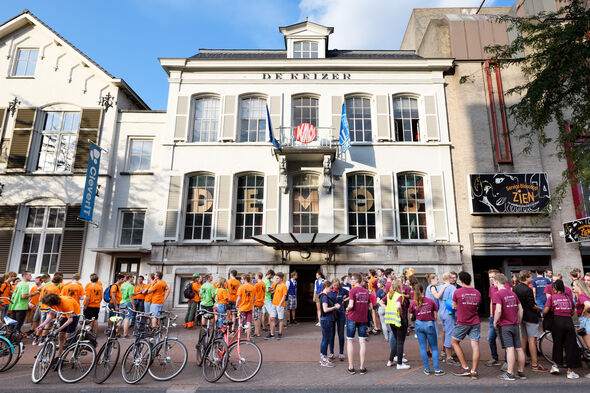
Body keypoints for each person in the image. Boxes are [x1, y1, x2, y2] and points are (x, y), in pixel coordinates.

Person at [543, 279, 581, 379]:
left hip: (557, 322)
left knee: (557, 344)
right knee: (570, 346)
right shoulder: (568, 298)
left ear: (555, 288)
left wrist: (543, 315)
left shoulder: (551, 298)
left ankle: (555, 366)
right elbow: (573, 312)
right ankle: (570, 371)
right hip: (568, 322)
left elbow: (546, 310)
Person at [492, 273, 526, 381]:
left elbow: (498, 310)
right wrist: (518, 321)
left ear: (497, 282)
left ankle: (510, 373)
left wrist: (495, 321)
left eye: (493, 282)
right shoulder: (512, 293)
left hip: (505, 325)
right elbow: (521, 309)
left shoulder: (498, 294)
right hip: (515, 324)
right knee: (519, 349)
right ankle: (521, 372)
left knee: (509, 349)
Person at [512, 270, 547, 372]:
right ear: (526, 278)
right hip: (530, 316)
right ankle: (535, 364)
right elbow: (532, 305)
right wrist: (541, 309)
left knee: (523, 338)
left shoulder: (515, 288)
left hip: (521, 316)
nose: (532, 278)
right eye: (531, 277)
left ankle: (523, 360)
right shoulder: (528, 289)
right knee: (532, 340)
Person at [451, 271, 482, 380]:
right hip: (475, 321)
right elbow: (477, 307)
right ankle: (474, 371)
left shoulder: (457, 292)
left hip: (462, 322)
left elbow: (454, 306)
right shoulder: (477, 293)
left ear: (461, 281)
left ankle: (465, 367)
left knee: (454, 342)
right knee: (475, 345)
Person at [410, 283, 444, 376]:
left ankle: (427, 369)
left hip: (418, 325)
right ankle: (437, 370)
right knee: (434, 348)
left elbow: (411, 315)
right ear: (423, 291)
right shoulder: (430, 301)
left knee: (423, 347)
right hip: (429, 325)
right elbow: (436, 314)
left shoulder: (413, 302)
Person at [383, 279, 409, 370]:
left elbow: (380, 301)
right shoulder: (399, 295)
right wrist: (401, 313)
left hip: (391, 321)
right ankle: (400, 363)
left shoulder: (389, 295)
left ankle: (390, 360)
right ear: (399, 286)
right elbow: (398, 306)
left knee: (397, 341)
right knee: (400, 342)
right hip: (399, 320)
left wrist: (386, 309)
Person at [346, 272, 369, 375]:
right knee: (362, 342)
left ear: (356, 281)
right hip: (363, 318)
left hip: (352, 317)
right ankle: (362, 367)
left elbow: (351, 305)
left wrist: (347, 308)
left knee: (350, 341)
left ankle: (351, 367)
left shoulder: (352, 291)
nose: (351, 281)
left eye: (352, 279)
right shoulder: (366, 291)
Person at [438, 273, 458, 365]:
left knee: (447, 332)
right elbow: (455, 301)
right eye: (452, 277)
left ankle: (449, 353)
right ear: (448, 278)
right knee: (450, 333)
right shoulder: (452, 288)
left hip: (442, 313)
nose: (454, 279)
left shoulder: (440, 287)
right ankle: (449, 356)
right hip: (450, 314)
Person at [572, 279, 590, 378]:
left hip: (585, 321)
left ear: (579, 286)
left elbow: (588, 305)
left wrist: (583, 312)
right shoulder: (585, 294)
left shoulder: (582, 295)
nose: (573, 288)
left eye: (574, 285)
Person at [320, 281, 339, 367]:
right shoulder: (324, 297)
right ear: (326, 287)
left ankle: (324, 357)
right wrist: (335, 307)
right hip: (327, 320)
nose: (332, 290)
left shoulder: (324, 296)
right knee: (326, 339)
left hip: (326, 320)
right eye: (331, 288)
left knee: (325, 339)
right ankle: (323, 358)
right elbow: (325, 309)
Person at [485, 269, 502, 367]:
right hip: (493, 317)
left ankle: (507, 361)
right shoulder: (491, 288)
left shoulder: (504, 287)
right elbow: (492, 301)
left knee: (503, 340)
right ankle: (494, 358)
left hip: (502, 317)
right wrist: (491, 315)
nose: (491, 279)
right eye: (490, 277)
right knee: (490, 338)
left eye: (493, 277)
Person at [266, 272, 287, 340]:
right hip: (274, 303)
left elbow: (284, 296)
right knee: (272, 318)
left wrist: (280, 304)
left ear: (281, 279)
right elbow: (271, 290)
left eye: (277, 278)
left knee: (280, 319)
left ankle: (280, 333)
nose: (276, 279)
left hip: (280, 305)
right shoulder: (275, 284)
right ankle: (272, 333)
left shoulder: (284, 286)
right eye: (276, 278)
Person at [236, 275, 255, 341]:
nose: (241, 280)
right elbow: (254, 298)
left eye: (241, 279)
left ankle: (239, 337)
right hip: (249, 307)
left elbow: (238, 298)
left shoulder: (241, 287)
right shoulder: (253, 287)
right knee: (248, 323)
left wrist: (236, 305)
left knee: (240, 323)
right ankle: (248, 338)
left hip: (242, 308)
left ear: (244, 279)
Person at [253, 272, 266, 337]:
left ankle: (257, 332)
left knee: (256, 318)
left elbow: (254, 295)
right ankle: (257, 332)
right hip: (261, 301)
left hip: (257, 302)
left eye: (255, 276)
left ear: (258, 276)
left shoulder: (257, 285)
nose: (255, 277)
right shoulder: (263, 284)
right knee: (258, 317)